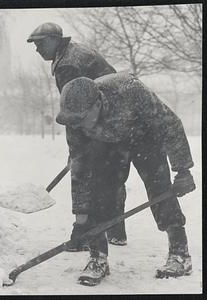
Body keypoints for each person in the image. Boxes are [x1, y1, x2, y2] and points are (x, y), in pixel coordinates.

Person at [55, 71, 196, 286]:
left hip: (145, 137)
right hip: (107, 143)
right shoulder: (75, 121)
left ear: (97, 104)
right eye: (73, 122)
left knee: (160, 189)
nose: (77, 126)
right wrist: (81, 215)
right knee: (99, 190)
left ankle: (180, 254)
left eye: (81, 120)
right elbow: (81, 168)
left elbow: (170, 124)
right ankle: (97, 257)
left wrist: (183, 169)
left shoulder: (130, 90)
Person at [27, 22, 128, 248]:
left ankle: (84, 232)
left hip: (98, 120)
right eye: (35, 45)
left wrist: (76, 151)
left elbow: (73, 111)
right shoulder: (75, 51)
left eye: (40, 43)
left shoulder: (67, 65)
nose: (37, 49)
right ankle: (115, 229)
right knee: (111, 176)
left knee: (86, 173)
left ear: (54, 39)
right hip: (113, 118)